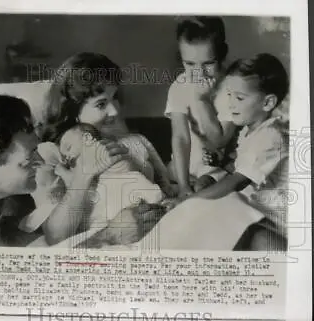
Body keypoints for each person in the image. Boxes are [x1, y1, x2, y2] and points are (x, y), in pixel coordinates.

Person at [0, 94, 127, 249]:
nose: (40, 161)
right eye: (29, 159)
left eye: (36, 150)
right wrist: (108, 236)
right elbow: (2, 276)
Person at [22, 52, 175, 237]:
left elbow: (166, 187)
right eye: (101, 104)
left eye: (115, 97)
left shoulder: (134, 141)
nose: (114, 111)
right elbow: (55, 235)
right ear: (73, 111)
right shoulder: (53, 156)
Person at [188, 53, 290, 250]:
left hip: (275, 222)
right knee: (208, 184)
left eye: (239, 98)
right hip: (257, 213)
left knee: (218, 213)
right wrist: (219, 164)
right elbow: (240, 164)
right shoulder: (249, 130)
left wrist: (189, 203)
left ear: (267, 103)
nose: (231, 104)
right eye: (229, 95)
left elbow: (237, 181)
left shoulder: (270, 135)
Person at [165, 16, 237, 199]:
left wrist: (200, 100)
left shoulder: (232, 87)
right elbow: (180, 137)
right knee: (163, 175)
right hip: (185, 165)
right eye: (189, 64)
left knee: (204, 186)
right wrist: (182, 186)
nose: (198, 73)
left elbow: (218, 141)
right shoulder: (179, 85)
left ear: (221, 55)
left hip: (216, 168)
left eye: (208, 63)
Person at [57, 123, 176, 229]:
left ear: (87, 138)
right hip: (112, 194)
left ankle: (163, 205)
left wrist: (62, 171)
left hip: (125, 184)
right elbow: (76, 187)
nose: (66, 157)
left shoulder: (98, 148)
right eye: (63, 155)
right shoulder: (78, 164)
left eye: (68, 148)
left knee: (148, 198)